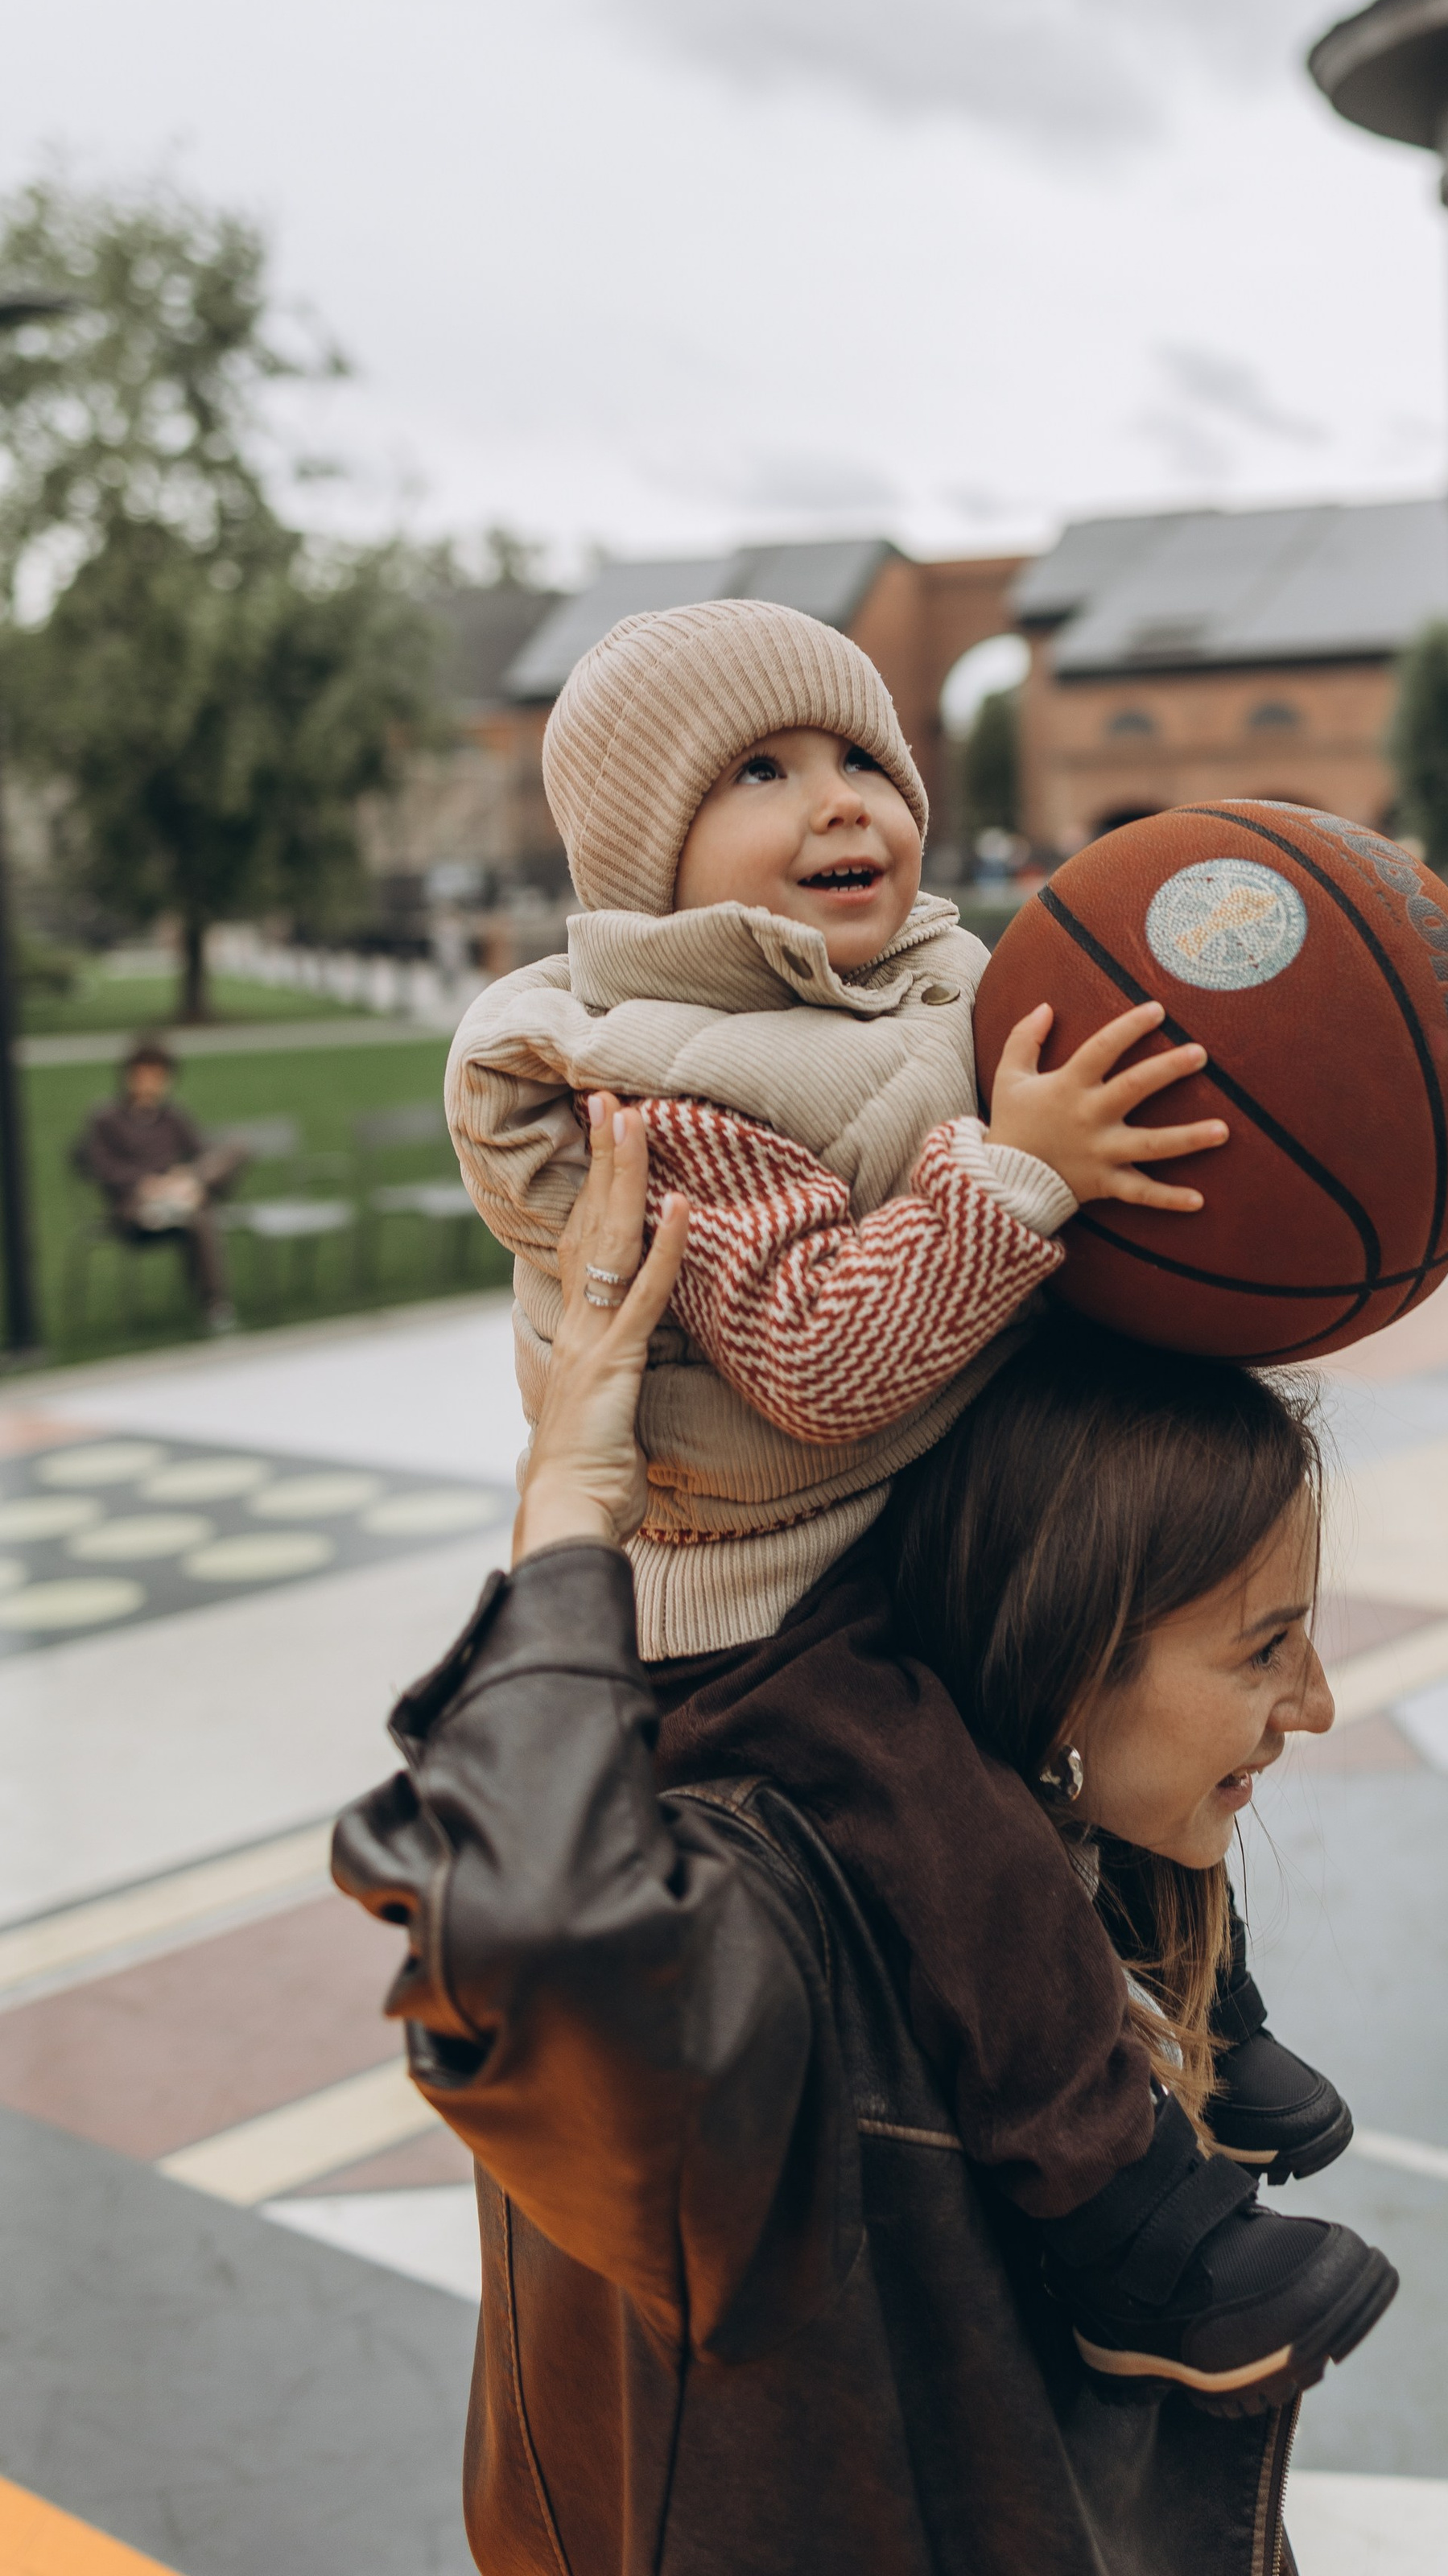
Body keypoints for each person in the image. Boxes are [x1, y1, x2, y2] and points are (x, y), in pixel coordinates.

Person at [442, 600, 1357, 2384]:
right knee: (946, 1813)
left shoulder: (930, 981)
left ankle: (1197, 1996)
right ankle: (1122, 2229)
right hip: (742, 1601)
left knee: (1124, 1640)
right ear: (652, 854)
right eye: (764, 774)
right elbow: (812, 1360)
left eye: (864, 756)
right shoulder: (664, 1084)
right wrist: (1014, 1175)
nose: (841, 801)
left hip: (902, 1501)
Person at [332, 1107, 1395, 2575]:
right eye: (1266, 1647)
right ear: (1069, 1644)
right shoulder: (774, 1932)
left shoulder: (1057, 1869)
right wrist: (571, 1515)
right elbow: (527, 1941)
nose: (1321, 1705)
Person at [72, 1037, 242, 1333]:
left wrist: (187, 1176)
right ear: (128, 1076)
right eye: (143, 1075)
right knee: (198, 1213)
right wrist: (144, 1183)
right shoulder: (106, 1118)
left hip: (180, 1196)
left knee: (235, 1151)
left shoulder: (174, 1116)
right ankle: (215, 1304)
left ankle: (214, 1306)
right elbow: (96, 1164)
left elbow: (204, 1150)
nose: (150, 1084)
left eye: (158, 1077)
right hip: (135, 1208)